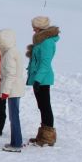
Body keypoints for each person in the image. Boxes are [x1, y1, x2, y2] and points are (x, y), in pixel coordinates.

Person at [26, 16, 60, 146]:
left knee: (45, 106)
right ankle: (43, 135)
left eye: (34, 26)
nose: (33, 29)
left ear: (40, 27)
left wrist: (38, 80)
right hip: (39, 78)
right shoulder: (40, 40)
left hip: (43, 79)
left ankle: (48, 138)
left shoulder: (47, 42)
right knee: (42, 106)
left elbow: (45, 63)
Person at [0, 29, 26, 153]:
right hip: (15, 88)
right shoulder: (13, 51)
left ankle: (17, 144)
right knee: (14, 117)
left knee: (14, 117)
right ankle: (15, 141)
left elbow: (10, 75)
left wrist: (5, 91)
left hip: (13, 89)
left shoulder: (9, 54)